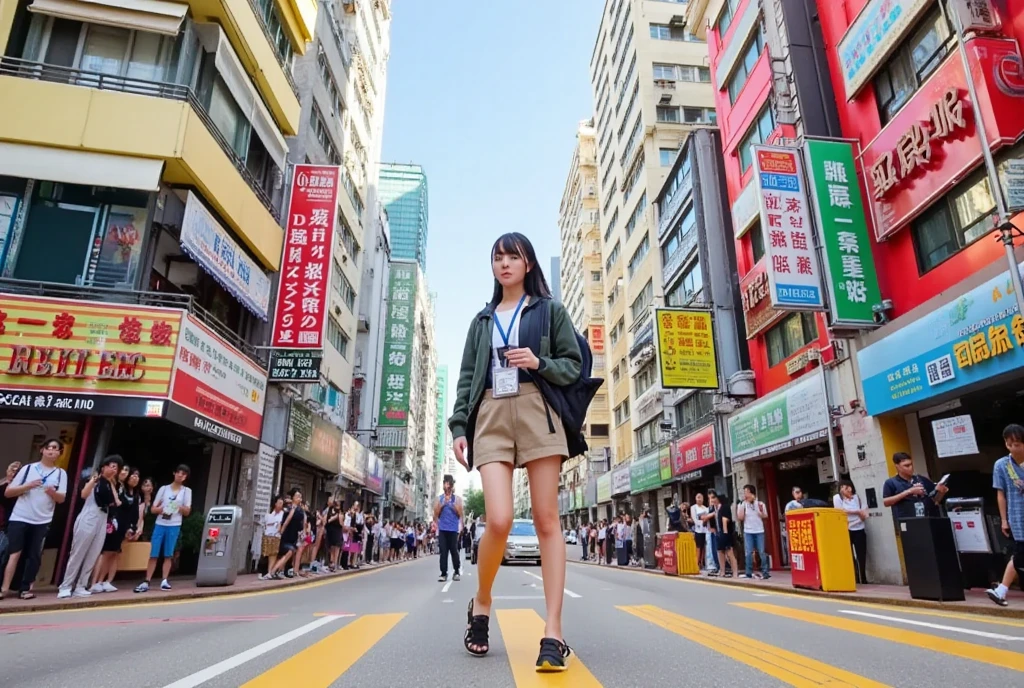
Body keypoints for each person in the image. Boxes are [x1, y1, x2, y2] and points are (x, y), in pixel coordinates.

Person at [449, 233, 581, 670]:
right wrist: (458, 427)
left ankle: (553, 631)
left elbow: (573, 365)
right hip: (490, 412)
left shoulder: (549, 311)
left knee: (546, 520)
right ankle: (482, 602)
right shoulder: (482, 321)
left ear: (528, 264)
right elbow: (468, 378)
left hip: (537, 407)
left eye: (513, 256)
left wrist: (538, 363)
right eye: (498, 257)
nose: (504, 264)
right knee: (500, 519)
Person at [2, 439, 68, 600]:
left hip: (42, 519)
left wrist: (53, 493)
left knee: (34, 555)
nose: (51, 451)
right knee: (14, 553)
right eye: (49, 448)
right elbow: (8, 492)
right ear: (42, 450)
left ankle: (25, 589)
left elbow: (62, 499)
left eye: (56, 449)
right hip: (20, 516)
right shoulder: (28, 469)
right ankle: (4, 588)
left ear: (60, 453)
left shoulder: (60, 473)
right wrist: (28, 486)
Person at [59, 455, 122, 598]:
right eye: (111, 466)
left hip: (102, 518)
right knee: (78, 552)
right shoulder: (95, 480)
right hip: (89, 516)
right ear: (103, 466)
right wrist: (94, 480)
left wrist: (112, 483)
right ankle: (66, 585)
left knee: (93, 554)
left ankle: (81, 585)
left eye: (116, 468)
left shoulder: (110, 484)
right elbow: (83, 494)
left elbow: (117, 502)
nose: (113, 469)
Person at [134, 465, 192, 593]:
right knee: (154, 553)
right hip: (160, 523)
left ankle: (164, 580)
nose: (180, 475)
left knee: (168, 554)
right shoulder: (164, 489)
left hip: (175, 524)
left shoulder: (186, 491)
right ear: (174, 473)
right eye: (178, 473)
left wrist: (178, 507)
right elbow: (153, 508)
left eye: (183, 474)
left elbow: (187, 511)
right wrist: (160, 510)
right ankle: (147, 580)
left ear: (186, 477)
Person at [987, 424, 1024, 607]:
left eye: (1017, 444)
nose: (1013, 448)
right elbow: (1000, 494)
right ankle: (1001, 590)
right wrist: (1004, 519)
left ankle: (1001, 590)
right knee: (1019, 554)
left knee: (1019, 555)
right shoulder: (1002, 465)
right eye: (1009, 444)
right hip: (1017, 517)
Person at [92, 466, 144, 592]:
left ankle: (105, 581)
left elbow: (135, 513)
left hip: (124, 526)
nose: (134, 478)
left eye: (137, 476)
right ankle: (95, 582)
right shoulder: (120, 489)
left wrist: (132, 527)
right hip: (113, 522)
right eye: (132, 475)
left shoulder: (136, 495)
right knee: (105, 552)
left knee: (114, 552)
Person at [881, 452, 947, 520]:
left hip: (927, 519)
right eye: (906, 465)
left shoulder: (921, 479)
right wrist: (909, 491)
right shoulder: (891, 482)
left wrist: (941, 492)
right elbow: (886, 502)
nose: (911, 468)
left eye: (911, 464)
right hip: (906, 521)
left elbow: (935, 501)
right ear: (897, 466)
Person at [833, 480, 869, 584]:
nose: (847, 489)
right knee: (849, 555)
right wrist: (857, 512)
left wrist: (858, 518)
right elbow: (841, 511)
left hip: (859, 529)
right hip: (846, 530)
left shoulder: (857, 498)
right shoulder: (837, 498)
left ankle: (863, 577)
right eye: (844, 488)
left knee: (861, 554)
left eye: (848, 487)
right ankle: (854, 577)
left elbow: (865, 514)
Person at [265, 488, 305, 580]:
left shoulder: (296, 510)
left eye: (300, 497)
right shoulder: (290, 510)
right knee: (289, 552)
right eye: (298, 496)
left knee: (288, 553)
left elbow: (300, 525)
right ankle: (272, 572)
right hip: (283, 537)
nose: (300, 498)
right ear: (293, 498)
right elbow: (285, 522)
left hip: (291, 537)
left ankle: (277, 571)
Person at [736, 484, 770, 580]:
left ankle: (765, 572)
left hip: (759, 530)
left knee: (762, 552)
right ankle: (749, 572)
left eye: (747, 492)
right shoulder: (743, 504)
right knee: (749, 552)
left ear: (752, 493)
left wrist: (757, 508)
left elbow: (765, 515)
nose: (745, 494)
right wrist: (742, 505)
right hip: (748, 531)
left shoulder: (760, 504)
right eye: (744, 492)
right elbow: (740, 517)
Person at [435, 475, 463, 582]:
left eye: (448, 484)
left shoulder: (457, 499)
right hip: (443, 529)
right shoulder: (439, 498)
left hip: (453, 530)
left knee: (454, 551)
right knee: (443, 552)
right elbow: (436, 514)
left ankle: (456, 571)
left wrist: (452, 504)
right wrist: (443, 504)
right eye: (445, 483)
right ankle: (443, 573)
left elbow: (460, 513)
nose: (446, 486)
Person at [0, 461, 22, 578]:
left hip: (10, 526)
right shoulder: (3, 486)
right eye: (12, 469)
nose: (14, 473)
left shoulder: (20, 489)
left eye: (17, 471)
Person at [711, 491, 738, 578]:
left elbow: (725, 520)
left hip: (725, 533)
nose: (713, 500)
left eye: (714, 498)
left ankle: (735, 572)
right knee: (720, 552)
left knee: (729, 553)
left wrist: (725, 534)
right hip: (718, 533)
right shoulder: (715, 509)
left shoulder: (725, 507)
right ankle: (722, 571)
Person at [259, 496, 285, 578]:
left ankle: (270, 572)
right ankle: (264, 571)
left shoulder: (282, 514)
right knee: (266, 554)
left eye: (282, 503)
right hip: (267, 535)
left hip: (276, 536)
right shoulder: (269, 513)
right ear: (275, 503)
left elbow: (281, 525)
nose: (281, 505)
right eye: (279, 503)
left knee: (273, 554)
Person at [690, 493, 709, 572]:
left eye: (701, 497)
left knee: (704, 547)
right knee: (698, 547)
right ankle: (696, 563)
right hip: (698, 530)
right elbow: (695, 519)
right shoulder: (693, 507)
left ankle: (702, 563)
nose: (699, 499)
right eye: (698, 497)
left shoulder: (706, 508)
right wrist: (702, 522)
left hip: (706, 530)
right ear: (695, 498)